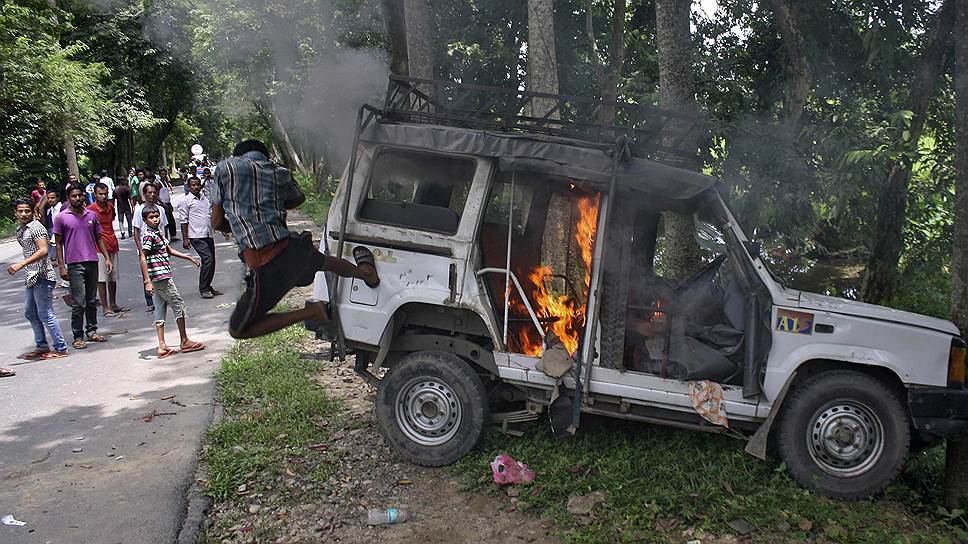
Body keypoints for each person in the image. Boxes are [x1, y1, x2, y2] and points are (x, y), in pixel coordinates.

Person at [211, 139, 379, 339]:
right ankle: (367, 274)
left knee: (238, 330)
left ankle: (311, 312)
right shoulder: (278, 171)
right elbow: (298, 198)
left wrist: (239, 223)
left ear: (237, 155)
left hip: (267, 264)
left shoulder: (225, 168)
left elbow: (216, 222)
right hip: (292, 248)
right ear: (264, 155)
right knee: (325, 262)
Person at [139, 207, 205, 358]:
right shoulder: (149, 236)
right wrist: (147, 281)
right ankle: (184, 340)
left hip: (160, 277)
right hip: (160, 278)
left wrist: (188, 257)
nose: (155, 219)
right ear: (145, 220)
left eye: (157, 216)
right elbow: (142, 257)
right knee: (178, 305)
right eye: (151, 217)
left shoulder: (158, 233)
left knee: (160, 308)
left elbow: (168, 250)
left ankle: (162, 345)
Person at [8, 197, 69, 360]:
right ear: (15, 213)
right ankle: (42, 345)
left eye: (27, 210)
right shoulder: (21, 229)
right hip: (32, 276)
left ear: (32, 212)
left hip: (42, 276)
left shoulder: (36, 228)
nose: (23, 214)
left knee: (45, 313)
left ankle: (61, 347)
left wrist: (21, 264)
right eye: (20, 211)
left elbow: (43, 250)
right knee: (30, 312)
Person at [53, 186, 112, 349]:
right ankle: (77, 336)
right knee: (79, 302)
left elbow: (99, 238)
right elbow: (58, 244)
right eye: (74, 196)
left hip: (92, 261)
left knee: (91, 300)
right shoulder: (61, 218)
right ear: (68, 197)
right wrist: (61, 266)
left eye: (80, 195)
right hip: (74, 264)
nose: (77, 198)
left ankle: (92, 331)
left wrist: (106, 258)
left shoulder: (91, 215)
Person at [177, 176, 223, 298]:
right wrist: (185, 238)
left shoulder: (205, 199)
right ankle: (203, 289)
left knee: (212, 260)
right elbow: (183, 221)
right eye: (193, 185)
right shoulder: (185, 201)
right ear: (188, 186)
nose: (196, 187)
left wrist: (220, 228)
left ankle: (208, 286)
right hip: (196, 235)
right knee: (207, 259)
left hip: (207, 233)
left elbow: (210, 215)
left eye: (198, 185)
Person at [87, 183, 128, 316]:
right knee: (102, 278)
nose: (103, 196)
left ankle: (113, 303)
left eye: (105, 194)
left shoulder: (110, 207)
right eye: (100, 194)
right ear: (95, 195)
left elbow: (112, 220)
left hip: (112, 244)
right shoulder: (90, 210)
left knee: (113, 277)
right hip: (98, 248)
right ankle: (105, 307)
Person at [132, 182, 167, 312]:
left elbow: (164, 227)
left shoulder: (161, 210)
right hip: (146, 248)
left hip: (159, 248)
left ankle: (163, 297)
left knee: (161, 273)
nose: (152, 195)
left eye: (154, 192)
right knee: (148, 274)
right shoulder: (139, 210)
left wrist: (165, 244)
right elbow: (136, 231)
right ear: (144, 194)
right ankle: (150, 301)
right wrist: (140, 250)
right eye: (149, 192)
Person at [157, 168, 178, 240]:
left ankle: (173, 236)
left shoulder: (165, 182)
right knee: (165, 222)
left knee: (171, 220)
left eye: (165, 174)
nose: (164, 175)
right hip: (163, 204)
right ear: (160, 175)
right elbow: (156, 195)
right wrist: (162, 203)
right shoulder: (159, 183)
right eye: (162, 174)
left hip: (168, 203)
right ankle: (165, 237)